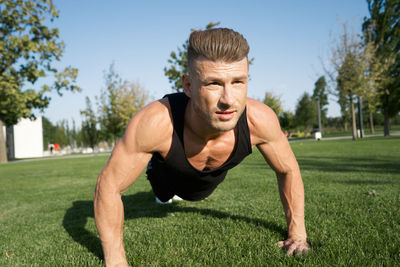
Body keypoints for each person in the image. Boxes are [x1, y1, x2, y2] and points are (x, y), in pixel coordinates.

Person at [94, 28, 310, 267]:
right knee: (163, 194)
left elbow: (288, 170)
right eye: (213, 84)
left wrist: (297, 234)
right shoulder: (155, 122)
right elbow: (109, 185)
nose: (228, 99)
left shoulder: (260, 120)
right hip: (167, 175)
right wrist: (116, 260)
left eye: (238, 81)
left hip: (208, 182)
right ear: (188, 85)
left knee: (201, 191)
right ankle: (160, 189)